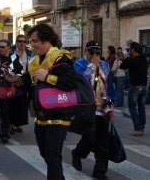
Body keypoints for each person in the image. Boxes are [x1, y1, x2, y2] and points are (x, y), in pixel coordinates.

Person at [27, 24, 78, 180]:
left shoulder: (60, 57)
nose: (32, 45)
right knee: (47, 154)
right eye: (31, 41)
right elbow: (28, 80)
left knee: (52, 156)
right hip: (41, 116)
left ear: (46, 40)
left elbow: (70, 81)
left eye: (35, 41)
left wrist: (48, 77)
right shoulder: (36, 60)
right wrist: (15, 80)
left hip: (59, 116)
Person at [71, 40, 116, 180]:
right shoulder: (79, 64)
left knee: (103, 140)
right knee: (90, 137)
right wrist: (92, 66)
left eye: (98, 52)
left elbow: (109, 86)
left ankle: (100, 171)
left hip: (103, 107)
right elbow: (81, 81)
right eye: (92, 52)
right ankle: (77, 153)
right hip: (88, 107)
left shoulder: (105, 65)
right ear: (86, 52)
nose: (95, 55)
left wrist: (111, 106)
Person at [0, 39, 23, 143]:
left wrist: (14, 76)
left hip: (10, 88)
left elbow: (20, 71)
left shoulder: (15, 57)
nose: (1, 49)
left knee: (7, 110)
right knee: (1, 110)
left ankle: (5, 130)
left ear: (8, 47)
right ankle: (4, 131)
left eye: (3, 47)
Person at [120, 42, 148, 136]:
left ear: (132, 50)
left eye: (130, 49)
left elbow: (122, 66)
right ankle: (142, 128)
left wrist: (127, 57)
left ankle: (137, 128)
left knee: (132, 107)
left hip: (135, 86)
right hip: (143, 86)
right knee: (141, 107)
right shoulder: (144, 60)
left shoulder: (132, 60)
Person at [9, 34, 32, 134]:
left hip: (24, 81)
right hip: (13, 79)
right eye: (19, 41)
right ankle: (9, 124)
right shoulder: (11, 52)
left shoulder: (29, 53)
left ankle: (17, 124)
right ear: (16, 42)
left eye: (24, 41)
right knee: (12, 103)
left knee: (22, 104)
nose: (22, 43)